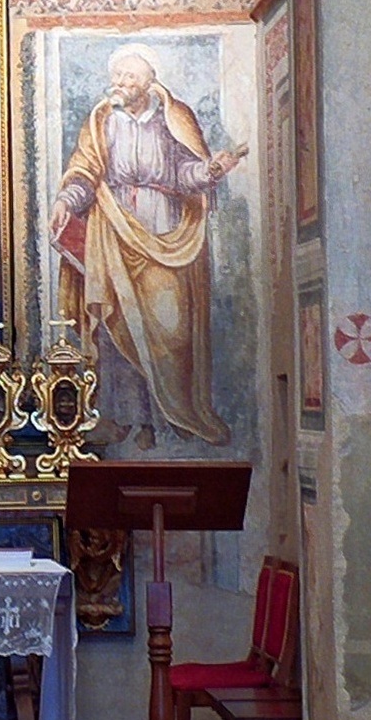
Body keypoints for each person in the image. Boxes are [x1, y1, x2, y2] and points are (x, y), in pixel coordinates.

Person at [52, 45, 243, 441]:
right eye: (117, 76)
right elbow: (86, 171)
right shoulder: (101, 120)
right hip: (114, 229)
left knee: (171, 328)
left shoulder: (174, 118)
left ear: (150, 81)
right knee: (115, 323)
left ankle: (170, 416)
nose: (120, 84)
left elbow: (183, 173)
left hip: (164, 228)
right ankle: (127, 419)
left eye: (130, 77)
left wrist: (210, 170)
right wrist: (65, 200)